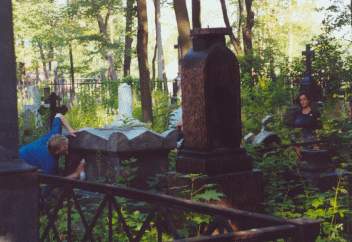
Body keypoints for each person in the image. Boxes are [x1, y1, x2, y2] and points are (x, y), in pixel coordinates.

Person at [19, 111, 83, 178]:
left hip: (23, 152)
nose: (67, 153)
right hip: (20, 164)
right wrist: (76, 173)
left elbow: (58, 115)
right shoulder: (50, 163)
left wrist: (70, 129)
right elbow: (57, 182)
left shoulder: (54, 133)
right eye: (64, 151)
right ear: (57, 152)